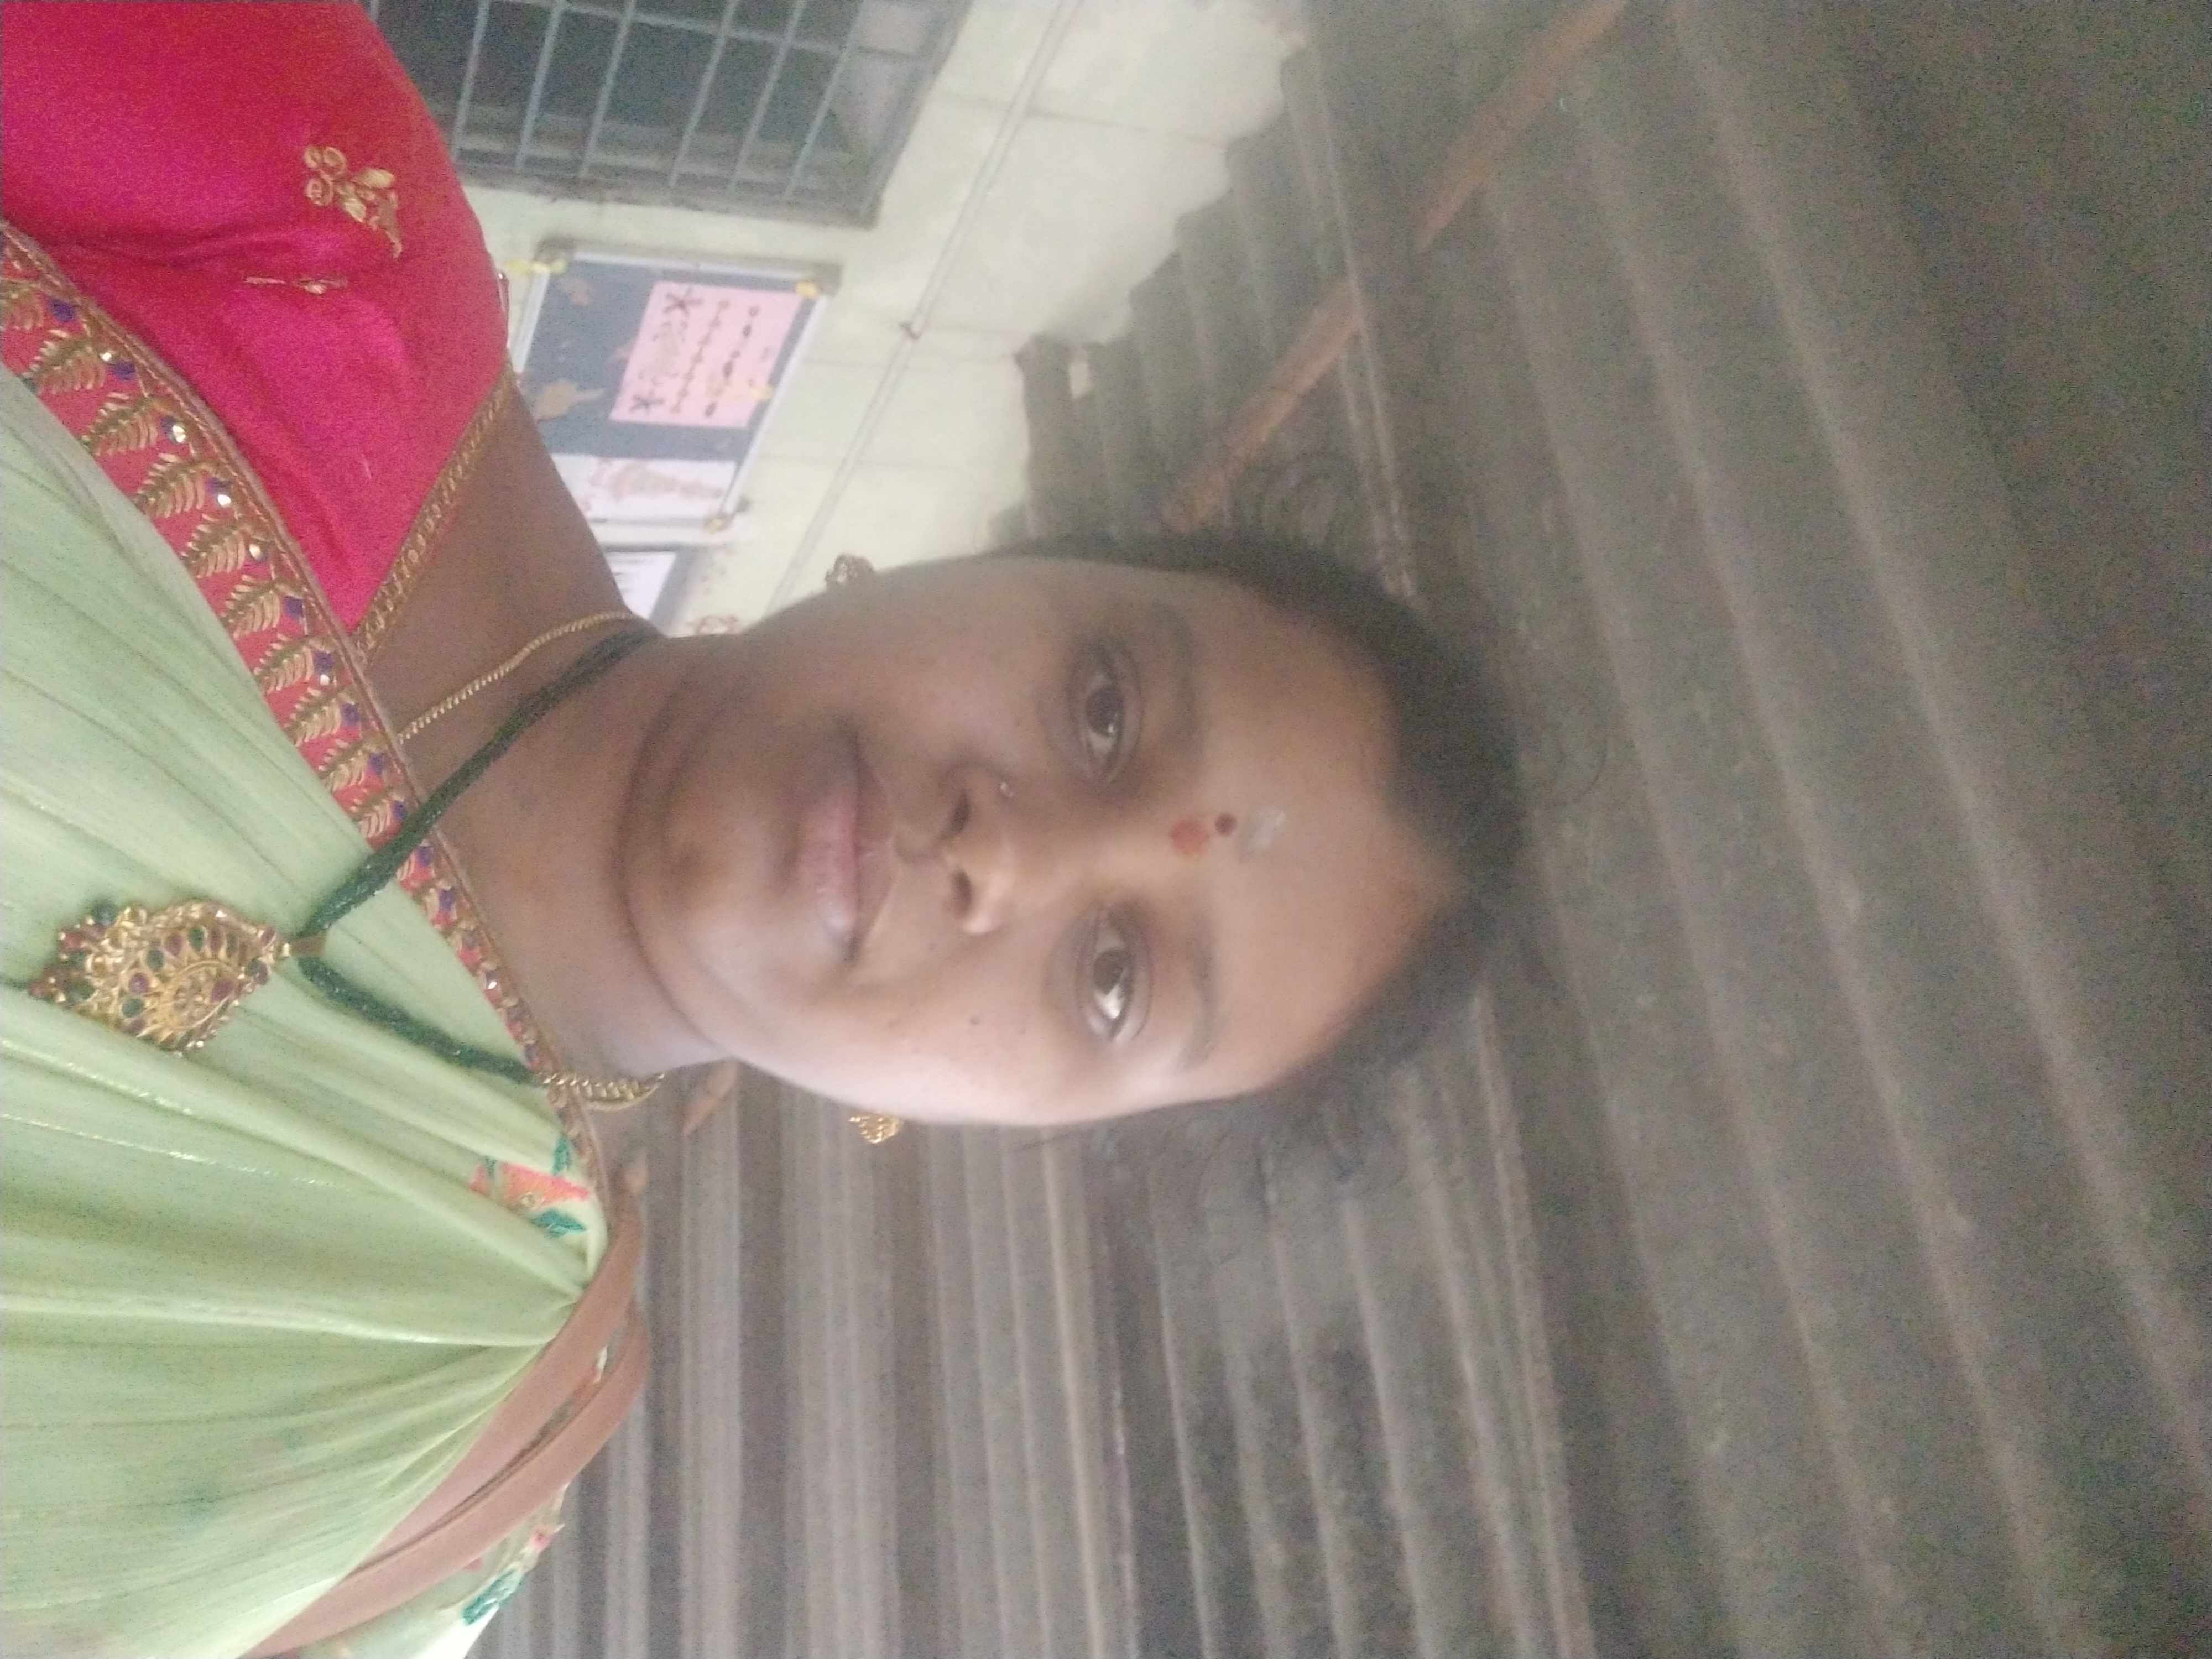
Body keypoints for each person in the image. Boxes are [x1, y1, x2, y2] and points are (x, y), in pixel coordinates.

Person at [0, 6, 1515, 1656]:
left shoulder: (415, 1457)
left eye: (1112, 980)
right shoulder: (311, 234)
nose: (1003, 857)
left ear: (1003, 1120)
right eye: (1102, 708)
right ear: (1009, 562)